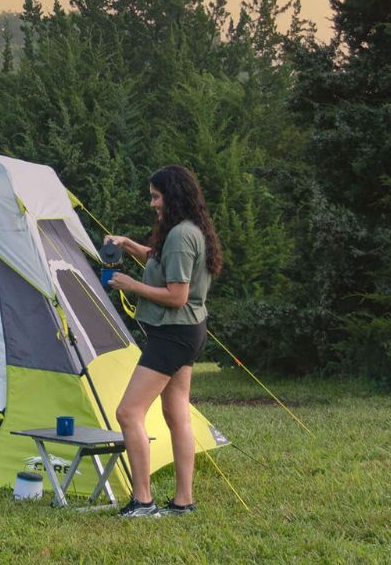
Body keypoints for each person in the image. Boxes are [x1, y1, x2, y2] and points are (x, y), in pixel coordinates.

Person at [105, 165, 222, 518]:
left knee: (128, 412)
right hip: (186, 332)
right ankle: (183, 502)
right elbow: (160, 265)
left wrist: (131, 285)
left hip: (174, 333)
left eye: (156, 196)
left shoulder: (181, 236)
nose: (153, 203)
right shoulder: (184, 231)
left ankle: (143, 501)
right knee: (176, 413)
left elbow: (177, 295)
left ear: (172, 196)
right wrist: (128, 245)